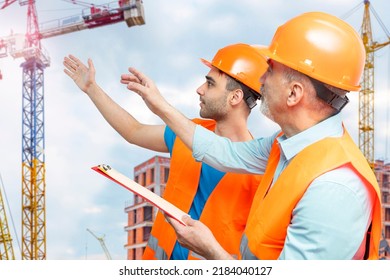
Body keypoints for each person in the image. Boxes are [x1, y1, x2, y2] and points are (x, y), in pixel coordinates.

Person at [123, 12, 382, 260]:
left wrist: (212, 251)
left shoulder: (334, 188)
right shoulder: (286, 144)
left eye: (269, 70)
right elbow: (223, 152)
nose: (260, 80)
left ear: (294, 93)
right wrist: (160, 106)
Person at [63, 43, 267, 260]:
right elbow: (134, 131)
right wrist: (91, 88)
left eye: (210, 84)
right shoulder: (189, 132)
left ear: (235, 97)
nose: (200, 89)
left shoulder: (260, 173)